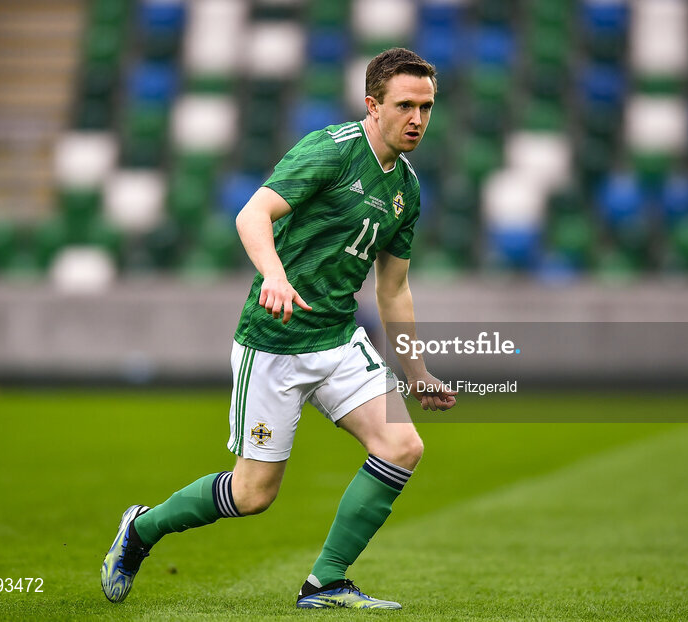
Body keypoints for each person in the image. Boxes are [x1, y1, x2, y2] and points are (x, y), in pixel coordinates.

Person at [100, 48, 457, 610]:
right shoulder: (330, 152)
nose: (418, 118)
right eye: (405, 105)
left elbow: (393, 290)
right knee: (252, 495)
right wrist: (274, 275)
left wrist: (417, 369)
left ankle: (326, 583)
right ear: (372, 105)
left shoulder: (407, 190)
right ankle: (141, 531)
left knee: (402, 445)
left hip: (339, 340)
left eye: (427, 106)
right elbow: (252, 213)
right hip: (276, 343)